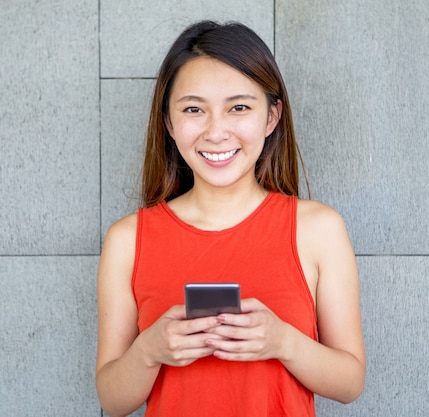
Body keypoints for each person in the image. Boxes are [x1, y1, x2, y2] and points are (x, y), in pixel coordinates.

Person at [96, 20, 365, 417]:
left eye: (238, 107)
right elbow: (112, 400)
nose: (216, 131)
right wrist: (150, 351)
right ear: (169, 123)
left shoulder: (319, 230)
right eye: (193, 109)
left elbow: (350, 382)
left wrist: (283, 342)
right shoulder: (127, 239)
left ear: (271, 117)